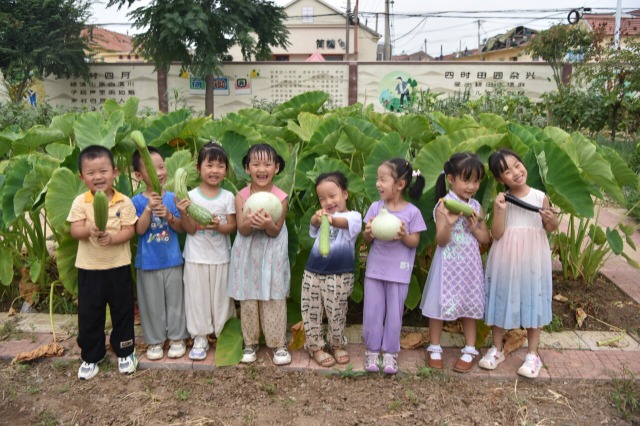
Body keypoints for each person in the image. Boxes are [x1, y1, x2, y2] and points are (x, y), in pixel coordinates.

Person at [480, 148, 559, 378]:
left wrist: (552, 220)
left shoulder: (539, 196)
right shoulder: (503, 200)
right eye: (506, 171)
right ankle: (497, 349)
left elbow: (551, 228)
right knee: (501, 297)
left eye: (517, 165)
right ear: (499, 179)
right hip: (506, 256)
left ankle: (533, 354)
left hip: (534, 256)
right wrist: (499, 210)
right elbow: (497, 233)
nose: (515, 172)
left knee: (533, 297)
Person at [68, 145, 138, 380]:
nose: (98, 177)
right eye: (91, 173)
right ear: (82, 177)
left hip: (118, 265)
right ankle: (91, 355)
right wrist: (88, 229)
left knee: (123, 311)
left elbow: (129, 230)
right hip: (89, 268)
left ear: (115, 172)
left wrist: (112, 238)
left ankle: (125, 350)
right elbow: (74, 229)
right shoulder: (80, 202)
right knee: (90, 314)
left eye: (103, 171)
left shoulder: (123, 201)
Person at [420, 153, 490, 372]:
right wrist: (449, 223)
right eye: (466, 180)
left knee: (469, 304)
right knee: (440, 304)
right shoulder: (443, 206)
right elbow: (441, 241)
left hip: (469, 264)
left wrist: (474, 227)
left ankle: (470, 349)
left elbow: (485, 238)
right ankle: (435, 346)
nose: (472, 186)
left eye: (476, 181)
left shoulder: (477, 206)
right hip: (448, 262)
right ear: (451, 179)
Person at [228, 143, 291, 366]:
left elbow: (275, 232)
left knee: (274, 296)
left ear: (276, 167)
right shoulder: (242, 197)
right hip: (248, 255)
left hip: (272, 254)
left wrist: (267, 224)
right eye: (256, 164)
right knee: (248, 298)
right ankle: (250, 342)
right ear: (247, 168)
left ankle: (278, 344)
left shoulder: (281, 198)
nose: (261, 169)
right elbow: (242, 230)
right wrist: (251, 223)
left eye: (267, 164)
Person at [362, 158, 426, 374]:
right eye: (377, 179)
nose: (378, 184)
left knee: (394, 314)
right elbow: (367, 239)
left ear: (400, 184)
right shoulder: (375, 207)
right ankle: (372, 350)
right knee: (373, 311)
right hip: (375, 269)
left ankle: (390, 353)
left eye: (383, 179)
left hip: (398, 271)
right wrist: (368, 233)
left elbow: (414, 242)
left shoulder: (412, 212)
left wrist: (404, 235)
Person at [176, 142, 237, 361]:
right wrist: (184, 213)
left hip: (221, 257)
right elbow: (190, 229)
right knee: (197, 298)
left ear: (226, 170)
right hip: (196, 257)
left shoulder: (228, 197)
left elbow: (232, 226)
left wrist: (219, 227)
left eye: (220, 166)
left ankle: (223, 334)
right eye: (209, 165)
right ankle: (200, 337)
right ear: (197, 168)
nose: (214, 170)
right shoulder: (190, 196)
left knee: (222, 298)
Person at [131, 146, 189, 361]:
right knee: (151, 303)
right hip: (148, 262)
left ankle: (177, 338)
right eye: (153, 170)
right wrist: (148, 208)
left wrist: (170, 216)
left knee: (176, 301)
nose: (160, 173)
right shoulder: (136, 201)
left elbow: (181, 228)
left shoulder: (173, 197)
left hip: (173, 259)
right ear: (138, 175)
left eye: (162, 167)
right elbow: (140, 230)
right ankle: (154, 340)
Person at [302, 172, 362, 368]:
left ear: (345, 194)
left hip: (340, 274)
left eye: (332, 195)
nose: (327, 201)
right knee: (311, 310)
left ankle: (336, 345)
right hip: (313, 270)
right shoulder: (321, 218)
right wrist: (317, 218)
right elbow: (312, 225)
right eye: (322, 198)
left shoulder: (353, 217)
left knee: (337, 311)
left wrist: (330, 218)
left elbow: (342, 223)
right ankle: (315, 347)